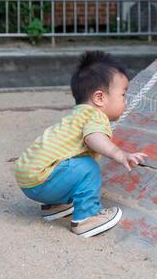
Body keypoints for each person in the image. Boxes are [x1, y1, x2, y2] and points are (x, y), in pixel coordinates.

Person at [14, 51, 147, 237]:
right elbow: (93, 137)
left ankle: (55, 206)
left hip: (28, 179)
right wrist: (119, 154)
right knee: (87, 168)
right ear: (100, 98)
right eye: (123, 95)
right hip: (42, 180)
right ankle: (87, 218)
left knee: (73, 164)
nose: (126, 101)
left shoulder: (76, 115)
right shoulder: (95, 116)